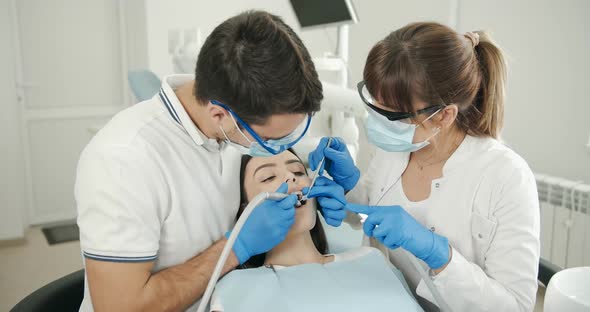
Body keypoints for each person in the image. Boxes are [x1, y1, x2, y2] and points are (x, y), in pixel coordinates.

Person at [75, 11, 324, 311]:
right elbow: (120, 308)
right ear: (219, 115)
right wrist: (235, 248)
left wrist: (338, 180)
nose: (276, 150)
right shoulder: (124, 158)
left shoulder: (233, 127)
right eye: (268, 141)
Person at [308, 22, 540, 311]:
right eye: (374, 103)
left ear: (444, 116)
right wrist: (350, 192)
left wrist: (439, 255)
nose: (376, 120)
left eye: (390, 114)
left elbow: (516, 307)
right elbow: (373, 208)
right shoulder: (400, 146)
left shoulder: (506, 177)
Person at [209, 150, 422, 312]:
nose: (292, 179)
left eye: (298, 171)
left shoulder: (371, 259)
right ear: (245, 209)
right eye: (268, 178)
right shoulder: (235, 290)